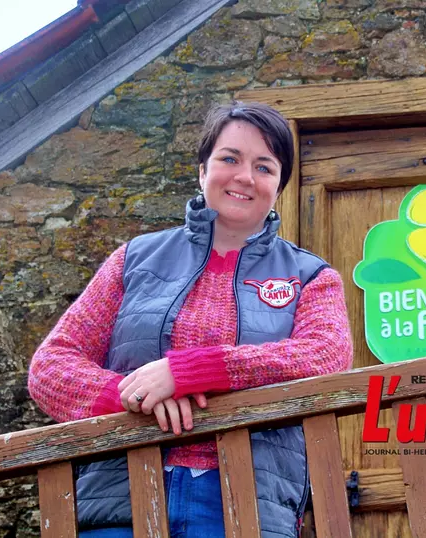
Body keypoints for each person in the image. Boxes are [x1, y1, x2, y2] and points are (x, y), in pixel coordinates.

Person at [28, 101, 354, 538]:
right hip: (118, 499)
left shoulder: (310, 276)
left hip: (247, 505)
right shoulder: (134, 260)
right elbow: (50, 366)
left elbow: (326, 357)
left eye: (264, 166)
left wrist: (190, 371)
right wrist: (133, 396)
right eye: (230, 158)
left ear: (278, 186)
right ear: (203, 170)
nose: (244, 177)